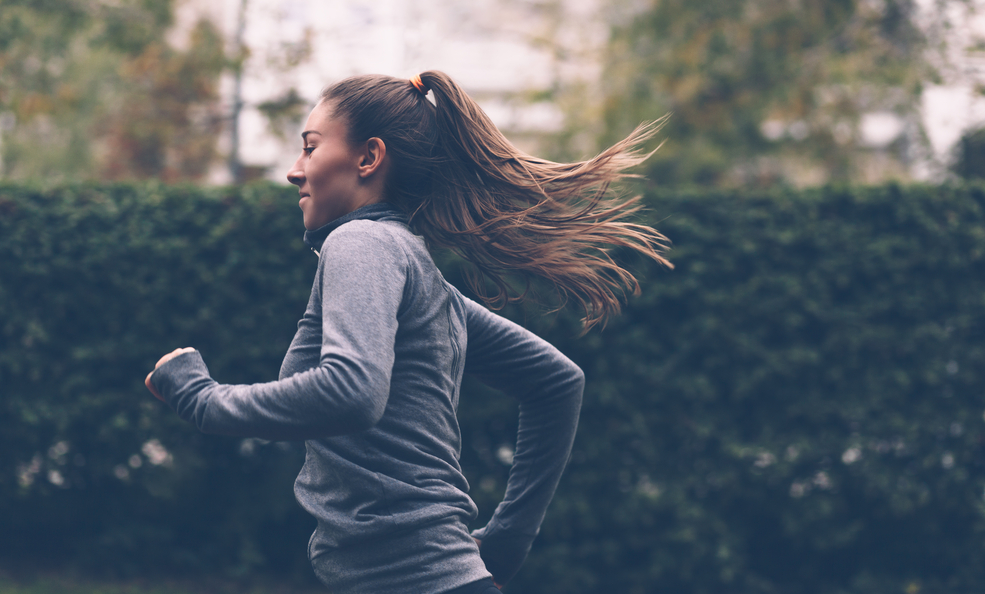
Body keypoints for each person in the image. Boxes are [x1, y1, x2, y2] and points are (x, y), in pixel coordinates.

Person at [145, 71, 672, 594]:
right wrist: (509, 538)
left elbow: (352, 392)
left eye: (310, 148)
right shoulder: (419, 276)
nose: (293, 171)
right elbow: (557, 381)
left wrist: (204, 400)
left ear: (368, 159)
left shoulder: (360, 243)